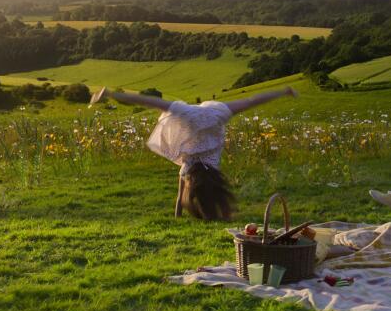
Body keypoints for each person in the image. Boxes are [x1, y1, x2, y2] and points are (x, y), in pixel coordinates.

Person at [90, 86, 298, 220]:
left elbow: (146, 101)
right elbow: (254, 100)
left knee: (155, 104)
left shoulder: (207, 163)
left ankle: (109, 93)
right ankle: (109, 93)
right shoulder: (195, 162)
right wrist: (284, 92)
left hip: (207, 116)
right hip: (204, 116)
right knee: (156, 104)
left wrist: (109, 94)